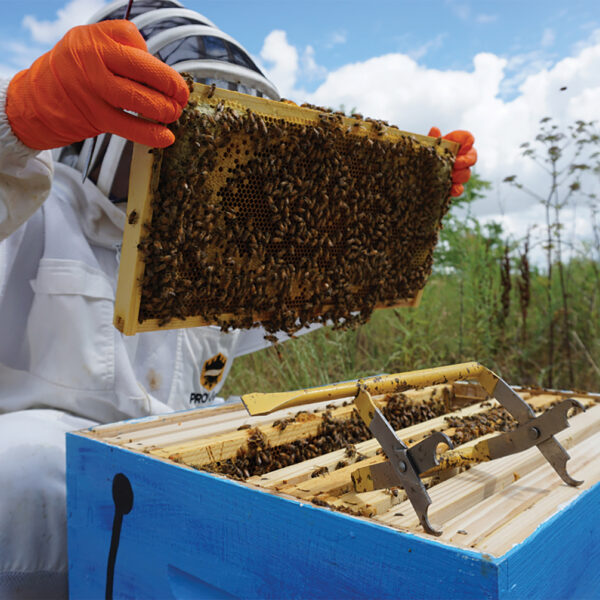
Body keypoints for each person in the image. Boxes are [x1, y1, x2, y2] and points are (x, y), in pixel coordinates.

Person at [0, 1, 477, 597]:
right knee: (22, 472)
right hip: (37, 528)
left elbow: (320, 282)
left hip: (175, 487)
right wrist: (14, 118)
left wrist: (404, 211)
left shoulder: (225, 259)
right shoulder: (30, 201)